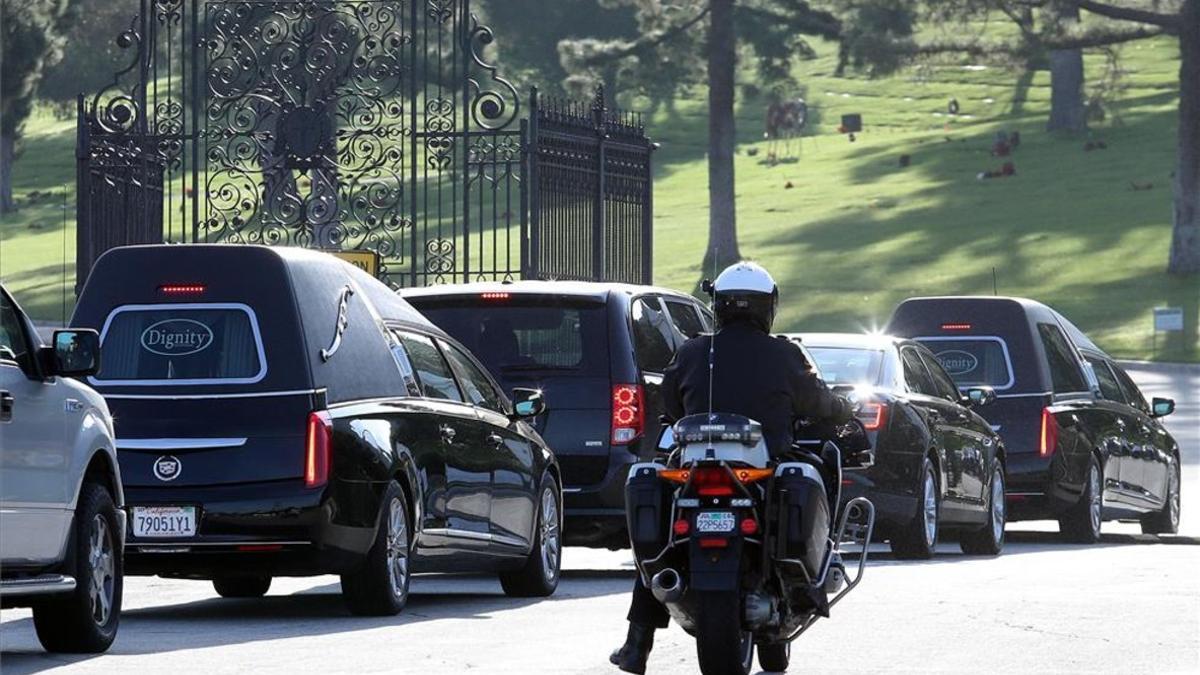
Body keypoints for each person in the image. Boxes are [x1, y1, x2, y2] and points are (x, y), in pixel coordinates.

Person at [609, 261, 852, 675]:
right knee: (817, 471)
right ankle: (812, 575)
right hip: (764, 468)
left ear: (719, 306)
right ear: (767, 307)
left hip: (693, 466)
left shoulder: (691, 351)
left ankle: (638, 642)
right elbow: (818, 402)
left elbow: (671, 403)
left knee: (665, 529)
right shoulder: (785, 353)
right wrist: (841, 410)